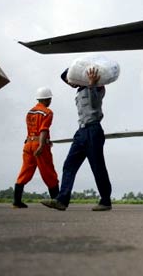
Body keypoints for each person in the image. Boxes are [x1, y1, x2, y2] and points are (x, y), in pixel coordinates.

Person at [42, 68, 113, 211]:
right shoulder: (79, 92)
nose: (69, 83)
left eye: (69, 80)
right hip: (81, 131)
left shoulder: (97, 87)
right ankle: (62, 200)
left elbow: (94, 104)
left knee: (97, 167)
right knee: (69, 165)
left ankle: (105, 201)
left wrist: (92, 83)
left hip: (93, 130)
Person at [13, 87, 59, 208]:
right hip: (39, 145)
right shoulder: (48, 112)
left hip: (28, 144)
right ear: (47, 99)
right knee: (48, 172)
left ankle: (16, 201)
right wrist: (42, 145)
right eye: (50, 99)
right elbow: (43, 129)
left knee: (25, 171)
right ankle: (56, 199)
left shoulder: (30, 112)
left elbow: (30, 130)